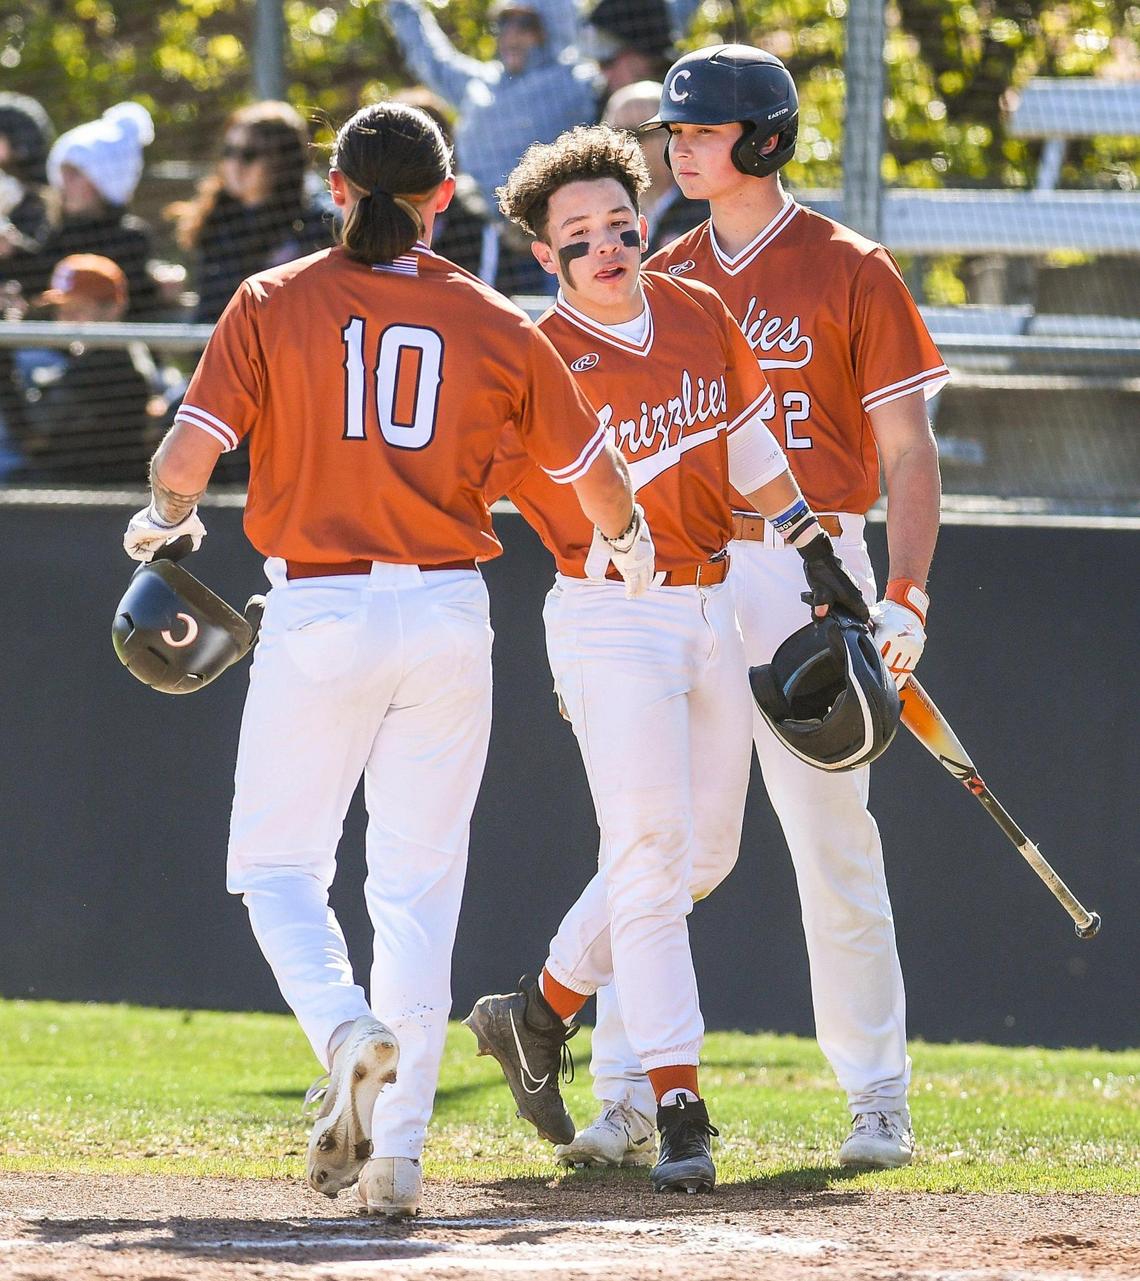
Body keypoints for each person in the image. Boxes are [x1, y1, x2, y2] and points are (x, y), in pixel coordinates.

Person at [120, 100, 647, 1219]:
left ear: (337, 189)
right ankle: (398, 1156)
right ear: (444, 198)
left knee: (275, 871)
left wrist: (162, 521)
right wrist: (631, 548)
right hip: (450, 612)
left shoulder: (274, 298)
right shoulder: (499, 319)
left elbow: (184, 458)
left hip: (320, 608)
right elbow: (600, 490)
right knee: (416, 891)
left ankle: (344, 1032)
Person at [560, 45, 948, 1173]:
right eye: (670, 132)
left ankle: (878, 1095)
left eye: (701, 130)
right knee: (655, 836)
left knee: (833, 837)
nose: (676, 147)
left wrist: (907, 594)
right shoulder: (655, 269)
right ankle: (628, 1093)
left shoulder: (849, 267)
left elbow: (908, 451)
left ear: (763, 139)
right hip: (683, 570)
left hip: (811, 565)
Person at [465, 125, 869, 1193]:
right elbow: (466, 480)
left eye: (615, 222)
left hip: (710, 607)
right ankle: (679, 1101)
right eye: (576, 235)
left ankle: (540, 1007)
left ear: (642, 224)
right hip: (609, 615)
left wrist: (815, 554)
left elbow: (749, 447)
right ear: (545, 256)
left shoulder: (697, 313)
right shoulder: (531, 356)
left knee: (704, 857)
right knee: (647, 847)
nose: (604, 245)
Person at [385, 0, 597, 293]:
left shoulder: (582, 83)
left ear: (555, 25)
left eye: (524, 25)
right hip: (484, 241)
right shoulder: (480, 84)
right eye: (504, 23)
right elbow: (430, 56)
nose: (510, 35)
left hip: (558, 245)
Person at [167, 101, 333, 324]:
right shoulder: (215, 218)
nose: (234, 165)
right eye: (228, 152)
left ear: (283, 161)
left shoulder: (318, 223)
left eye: (248, 154)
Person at [16, 254, 156, 481]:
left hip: (96, 493)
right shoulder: (96, 354)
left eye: (79, 307)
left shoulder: (111, 361)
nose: (66, 317)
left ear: (112, 309)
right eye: (63, 309)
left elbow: (37, 428)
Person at [42, 102, 161, 318]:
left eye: (75, 173)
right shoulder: (56, 234)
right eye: (63, 172)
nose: (63, 182)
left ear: (103, 178)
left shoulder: (131, 238)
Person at [602, 80, 707, 255]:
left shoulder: (707, 210)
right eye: (614, 135)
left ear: (671, 135)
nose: (622, 146)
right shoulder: (599, 216)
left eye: (633, 134)